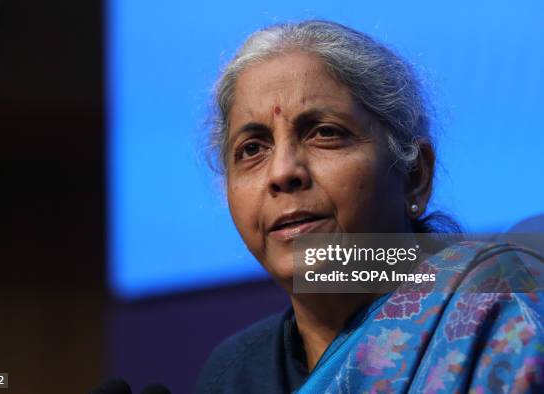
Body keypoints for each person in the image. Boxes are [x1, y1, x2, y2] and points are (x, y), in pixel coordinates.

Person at [195, 20, 543, 393]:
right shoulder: (235, 374)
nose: (282, 173)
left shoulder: (501, 324)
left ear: (414, 175)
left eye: (325, 133)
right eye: (252, 150)